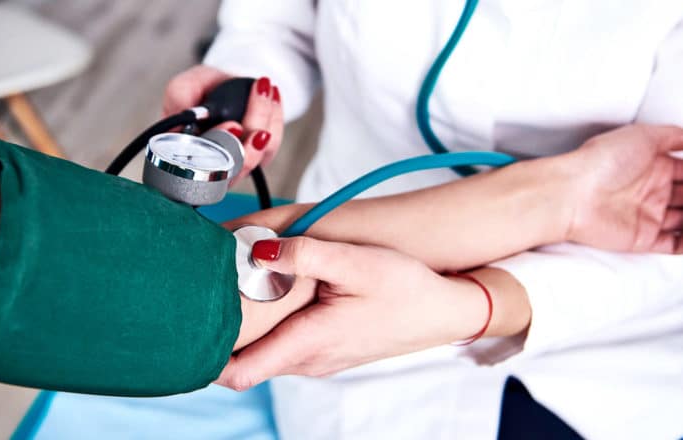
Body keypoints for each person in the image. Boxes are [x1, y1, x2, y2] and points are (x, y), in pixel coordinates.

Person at [162, 1, 683, 438]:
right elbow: (271, 21)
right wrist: (245, 78)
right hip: (347, 297)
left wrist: (465, 306)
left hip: (612, 324)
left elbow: (666, 214)